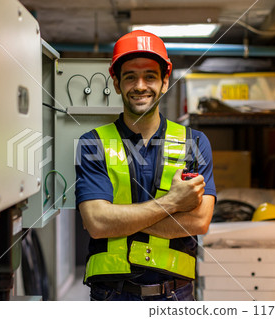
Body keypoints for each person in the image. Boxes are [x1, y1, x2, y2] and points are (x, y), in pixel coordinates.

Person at [75, 30, 216, 301]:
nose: (140, 85)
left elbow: (199, 220)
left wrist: (119, 220)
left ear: (165, 82)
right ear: (116, 83)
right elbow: (96, 223)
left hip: (176, 296)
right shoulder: (93, 144)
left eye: (150, 76)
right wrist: (173, 203)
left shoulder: (194, 142)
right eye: (130, 77)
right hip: (111, 297)